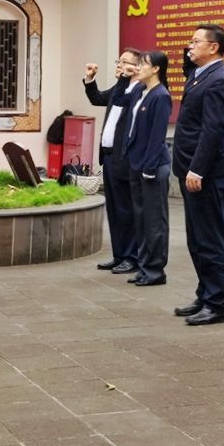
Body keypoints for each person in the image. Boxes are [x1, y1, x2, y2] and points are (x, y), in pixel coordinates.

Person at [171, 23, 224, 327]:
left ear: (214, 47)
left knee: (211, 240)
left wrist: (197, 168)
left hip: (207, 174)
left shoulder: (220, 78)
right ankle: (204, 293)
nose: (190, 45)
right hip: (190, 170)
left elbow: (213, 130)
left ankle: (216, 303)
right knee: (196, 240)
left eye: (196, 41)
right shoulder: (200, 74)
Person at [83, 50, 143, 274]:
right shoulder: (120, 87)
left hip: (124, 158)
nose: (119, 65)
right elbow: (98, 98)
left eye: (125, 62)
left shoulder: (139, 90)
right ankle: (119, 255)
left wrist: (127, 79)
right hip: (108, 157)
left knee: (127, 210)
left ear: (137, 67)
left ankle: (132, 257)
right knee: (115, 211)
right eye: (119, 61)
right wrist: (90, 79)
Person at [124, 51, 173, 286]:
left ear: (156, 69)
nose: (139, 67)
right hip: (136, 162)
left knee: (154, 221)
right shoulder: (140, 91)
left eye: (143, 64)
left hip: (151, 165)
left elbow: (157, 135)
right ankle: (144, 267)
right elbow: (119, 100)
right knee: (141, 219)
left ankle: (155, 270)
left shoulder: (161, 95)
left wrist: (150, 166)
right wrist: (126, 76)